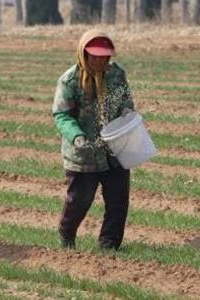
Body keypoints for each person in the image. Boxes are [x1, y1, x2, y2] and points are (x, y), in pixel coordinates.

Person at [52, 30, 134, 250]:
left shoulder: (117, 76)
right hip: (83, 153)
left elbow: (126, 103)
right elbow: (62, 115)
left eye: (103, 56)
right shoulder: (70, 81)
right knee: (79, 201)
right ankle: (66, 234)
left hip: (114, 151)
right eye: (93, 56)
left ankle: (109, 245)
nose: (98, 61)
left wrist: (129, 116)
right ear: (83, 54)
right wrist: (76, 136)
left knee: (118, 201)